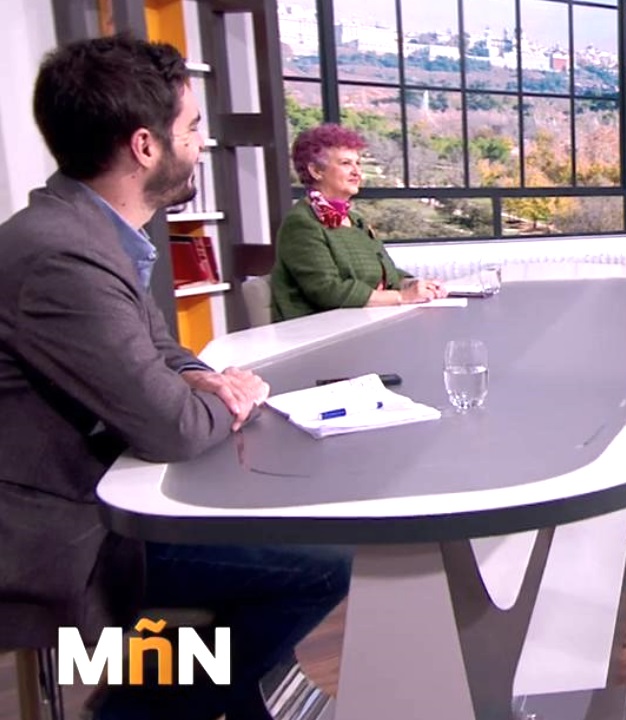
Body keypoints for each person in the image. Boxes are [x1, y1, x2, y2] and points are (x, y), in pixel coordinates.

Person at [0, 34, 350, 719]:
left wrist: (201, 377)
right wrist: (233, 397)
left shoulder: (84, 229)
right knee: (316, 567)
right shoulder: (63, 258)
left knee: (267, 543)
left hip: (92, 495)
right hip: (55, 535)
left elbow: (159, 348)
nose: (201, 143)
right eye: (190, 128)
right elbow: (175, 427)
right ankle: (132, 711)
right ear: (145, 146)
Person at [269, 123, 446, 321]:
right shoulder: (302, 223)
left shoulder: (356, 221)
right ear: (316, 171)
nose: (357, 172)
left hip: (365, 322)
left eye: (358, 163)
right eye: (346, 163)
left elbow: (386, 273)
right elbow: (328, 291)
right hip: (320, 331)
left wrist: (415, 285)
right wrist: (401, 297)